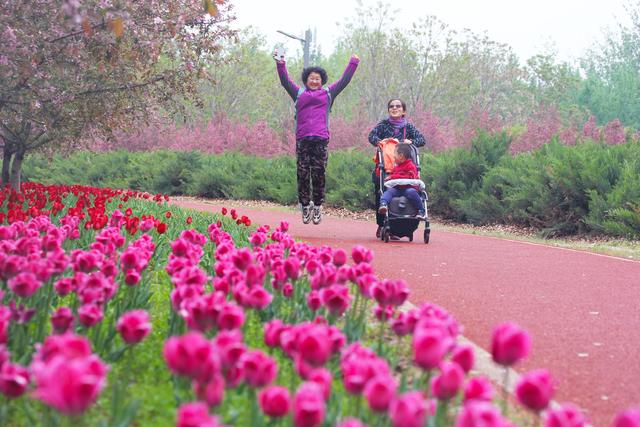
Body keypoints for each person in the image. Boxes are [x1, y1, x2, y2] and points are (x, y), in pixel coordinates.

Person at [275, 50, 360, 225]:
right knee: (303, 173)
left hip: (321, 139)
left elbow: (344, 81)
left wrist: (353, 63)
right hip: (303, 140)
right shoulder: (298, 94)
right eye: (311, 78)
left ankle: (318, 206)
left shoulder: (328, 94)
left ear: (322, 81)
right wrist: (280, 63)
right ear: (306, 80)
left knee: (319, 173)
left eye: (317, 78)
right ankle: (305, 206)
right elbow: (284, 81)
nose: (314, 80)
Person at [368, 98, 426, 237]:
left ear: (403, 110)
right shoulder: (383, 125)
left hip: (405, 169)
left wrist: (410, 141)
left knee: (409, 193)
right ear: (388, 110)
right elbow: (371, 136)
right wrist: (379, 141)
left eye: (398, 106)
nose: (395, 108)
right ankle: (381, 224)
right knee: (380, 193)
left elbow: (422, 140)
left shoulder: (408, 127)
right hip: (384, 168)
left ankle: (402, 224)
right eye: (392, 106)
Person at [378, 143, 425, 218]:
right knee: (389, 192)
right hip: (398, 188)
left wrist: (393, 177)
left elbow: (410, 177)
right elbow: (393, 175)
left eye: (395, 154)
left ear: (401, 156)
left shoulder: (411, 166)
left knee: (412, 192)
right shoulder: (396, 167)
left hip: (408, 187)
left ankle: (421, 210)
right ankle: (383, 204)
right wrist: (390, 177)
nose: (393, 156)